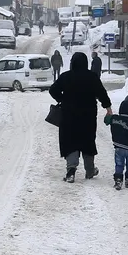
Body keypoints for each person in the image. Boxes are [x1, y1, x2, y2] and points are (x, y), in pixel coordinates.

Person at [48, 51, 113, 183]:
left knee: (70, 141)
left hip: (68, 115)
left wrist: (62, 99)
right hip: (87, 116)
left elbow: (53, 90)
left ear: (72, 62)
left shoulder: (65, 76)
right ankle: (90, 170)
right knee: (87, 141)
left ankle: (71, 171)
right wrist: (108, 109)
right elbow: (102, 93)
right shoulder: (92, 77)